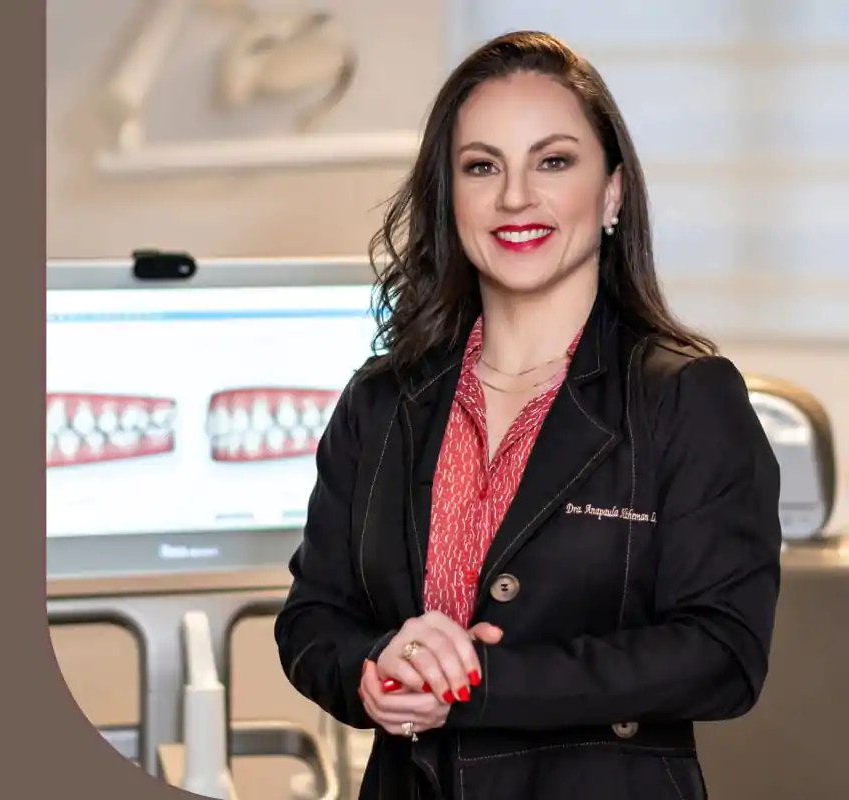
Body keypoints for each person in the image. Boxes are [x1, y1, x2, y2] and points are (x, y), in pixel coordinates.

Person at [273, 31, 782, 800]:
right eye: (482, 166)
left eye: (553, 162)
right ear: (449, 196)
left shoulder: (686, 398)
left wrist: (480, 682)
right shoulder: (380, 400)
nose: (515, 197)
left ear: (611, 194)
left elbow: (723, 654)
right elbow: (312, 619)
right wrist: (375, 667)